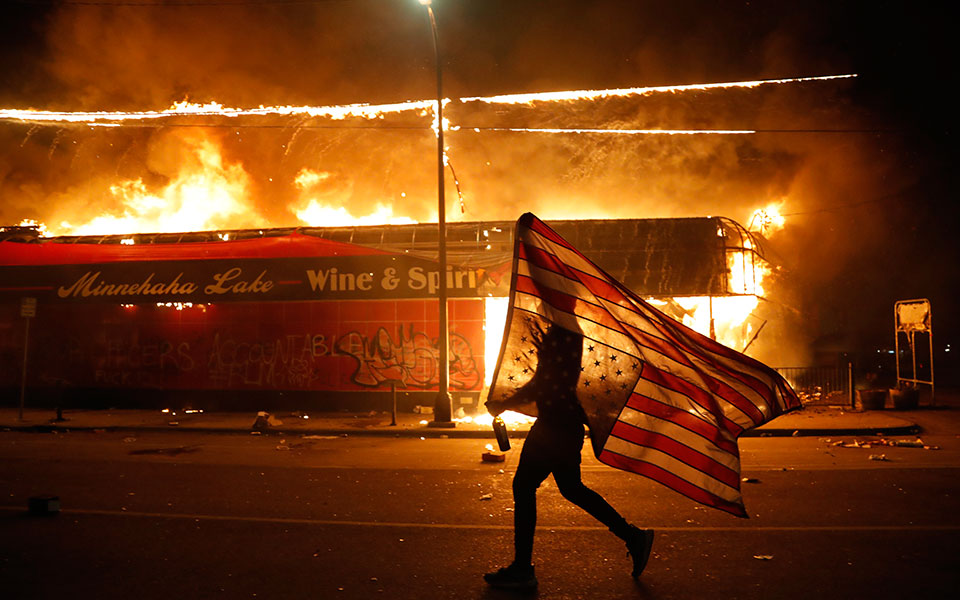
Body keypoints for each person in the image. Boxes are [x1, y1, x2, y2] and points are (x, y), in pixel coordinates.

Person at [483, 323, 654, 590]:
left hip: (555, 426)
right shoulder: (565, 329)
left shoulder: (563, 331)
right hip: (564, 424)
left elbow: (544, 383)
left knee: (524, 486)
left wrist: (504, 403)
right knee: (572, 488)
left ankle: (522, 570)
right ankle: (632, 536)